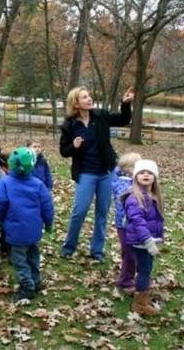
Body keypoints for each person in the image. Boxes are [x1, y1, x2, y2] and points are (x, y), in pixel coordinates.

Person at [59, 86, 134, 261]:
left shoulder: (100, 116)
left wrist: (125, 104)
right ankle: (69, 247)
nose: (89, 99)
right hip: (86, 173)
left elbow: (123, 119)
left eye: (89, 96)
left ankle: (97, 250)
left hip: (106, 172)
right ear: (76, 104)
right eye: (84, 97)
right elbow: (64, 151)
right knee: (80, 210)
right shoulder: (69, 125)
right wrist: (74, 147)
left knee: (102, 213)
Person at [0, 147, 54, 302]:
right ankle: (36, 281)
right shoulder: (38, 184)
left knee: (19, 261)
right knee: (33, 256)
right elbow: (48, 206)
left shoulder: (5, 183)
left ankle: (27, 287)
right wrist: (49, 223)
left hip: (15, 232)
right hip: (34, 231)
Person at [123, 159, 164, 316]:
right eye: (142, 172)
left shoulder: (151, 196)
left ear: (154, 177)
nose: (146, 175)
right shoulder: (134, 198)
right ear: (135, 177)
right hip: (141, 242)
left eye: (149, 173)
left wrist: (157, 237)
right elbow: (138, 221)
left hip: (148, 240)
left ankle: (141, 292)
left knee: (144, 269)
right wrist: (148, 240)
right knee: (145, 270)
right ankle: (140, 303)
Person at [112, 152, 142, 294]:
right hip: (125, 225)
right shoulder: (123, 184)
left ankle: (133, 277)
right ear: (130, 169)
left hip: (135, 224)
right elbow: (125, 201)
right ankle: (125, 281)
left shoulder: (133, 182)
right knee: (129, 254)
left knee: (135, 253)